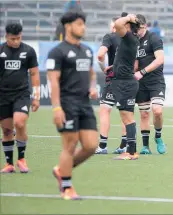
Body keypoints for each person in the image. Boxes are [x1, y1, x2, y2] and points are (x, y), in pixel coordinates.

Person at [47, 11, 98, 200]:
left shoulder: (87, 50)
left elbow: (92, 74)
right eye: (79, 24)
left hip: (85, 104)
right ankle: (67, 188)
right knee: (69, 145)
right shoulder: (57, 52)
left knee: (92, 146)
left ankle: (61, 170)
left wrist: (92, 88)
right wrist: (56, 108)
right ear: (68, 26)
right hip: (67, 104)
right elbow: (53, 82)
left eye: (84, 24)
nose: (83, 27)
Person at [0, 22, 40, 173]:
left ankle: (21, 159)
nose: (16, 41)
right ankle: (9, 163)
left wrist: (36, 97)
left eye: (18, 38)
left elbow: (34, 73)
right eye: (12, 39)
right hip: (3, 95)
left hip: (21, 94)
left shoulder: (29, 51)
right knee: (6, 130)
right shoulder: (1, 51)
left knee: (20, 123)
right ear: (6, 37)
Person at [133, 14, 166, 155]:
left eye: (138, 28)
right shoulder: (133, 40)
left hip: (155, 81)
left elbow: (160, 59)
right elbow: (133, 63)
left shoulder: (154, 38)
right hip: (141, 83)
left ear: (145, 26)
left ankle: (158, 136)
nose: (136, 31)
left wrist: (143, 71)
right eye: (134, 29)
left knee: (157, 111)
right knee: (144, 114)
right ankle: (145, 146)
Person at [111, 13, 141, 160]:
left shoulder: (129, 38)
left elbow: (117, 24)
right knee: (126, 117)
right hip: (122, 82)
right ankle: (131, 151)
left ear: (128, 26)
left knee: (128, 118)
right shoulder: (130, 39)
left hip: (126, 83)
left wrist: (128, 17)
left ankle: (131, 152)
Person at [95, 15, 127, 155]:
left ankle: (102, 146)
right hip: (129, 79)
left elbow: (100, 55)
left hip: (114, 78)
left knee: (105, 110)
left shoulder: (110, 37)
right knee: (125, 113)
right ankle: (124, 145)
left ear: (114, 26)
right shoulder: (132, 39)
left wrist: (104, 67)